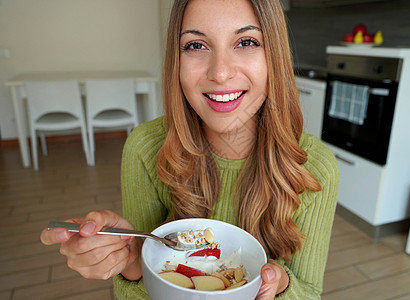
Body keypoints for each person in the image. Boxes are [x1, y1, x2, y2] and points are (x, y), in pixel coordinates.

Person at [40, 0, 339, 299]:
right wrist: (132, 262)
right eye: (196, 45)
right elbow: (135, 287)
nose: (220, 73)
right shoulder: (146, 148)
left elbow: (309, 292)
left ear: (274, 54)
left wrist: (281, 285)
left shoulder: (315, 167)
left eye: (246, 41)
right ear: (176, 59)